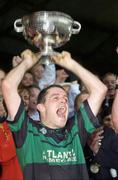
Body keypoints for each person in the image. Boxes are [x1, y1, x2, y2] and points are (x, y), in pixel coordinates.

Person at [2, 49, 107, 180]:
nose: (63, 100)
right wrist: (27, 63)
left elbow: (100, 90)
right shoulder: (27, 131)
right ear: (41, 107)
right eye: (55, 98)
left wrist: (71, 64)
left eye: (65, 98)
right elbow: (7, 85)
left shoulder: (75, 131)